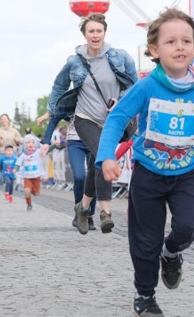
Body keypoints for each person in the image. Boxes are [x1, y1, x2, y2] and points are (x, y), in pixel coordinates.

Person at [96, 8, 194, 317]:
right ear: (155, 51)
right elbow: (117, 119)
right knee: (145, 239)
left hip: (187, 173)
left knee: (190, 224)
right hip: (148, 174)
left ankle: (171, 254)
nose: (179, 47)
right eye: (170, 42)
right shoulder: (146, 87)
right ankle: (145, 296)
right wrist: (106, 156)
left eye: (186, 41)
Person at [43, 12, 138, 235]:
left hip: (113, 121)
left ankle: (83, 207)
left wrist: (121, 101)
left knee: (97, 163)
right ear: (85, 34)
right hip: (85, 119)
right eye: (91, 31)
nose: (95, 35)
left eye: (99, 31)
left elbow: (135, 85)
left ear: (105, 32)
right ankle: (105, 212)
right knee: (104, 157)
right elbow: (59, 86)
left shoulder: (121, 57)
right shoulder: (74, 62)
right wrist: (51, 111)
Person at [14, 134, 44, 211]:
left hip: (36, 176)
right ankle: (29, 204)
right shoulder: (23, 155)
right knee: (27, 191)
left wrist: (54, 145)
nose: (30, 144)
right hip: (27, 177)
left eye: (32, 142)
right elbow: (18, 162)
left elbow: (46, 149)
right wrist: (16, 168)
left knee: (36, 194)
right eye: (28, 142)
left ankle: (34, 191)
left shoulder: (37, 152)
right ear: (25, 144)